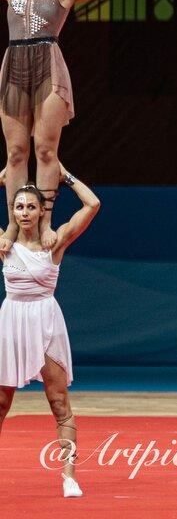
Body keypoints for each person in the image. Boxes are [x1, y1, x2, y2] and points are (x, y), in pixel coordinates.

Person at [1, 0, 177, 249]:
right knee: (16, 153)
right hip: (14, 65)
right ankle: (13, 227)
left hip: (47, 64)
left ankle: (45, 222)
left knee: (45, 151)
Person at [0, 172, 99, 498]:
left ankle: (69, 476)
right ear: (12, 211)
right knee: (1, 402)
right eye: (19, 207)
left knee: (59, 403)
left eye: (31, 206)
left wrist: (64, 176)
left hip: (45, 321)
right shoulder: (5, 244)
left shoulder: (54, 244)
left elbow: (93, 203)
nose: (25, 212)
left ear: (42, 210)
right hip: (12, 321)